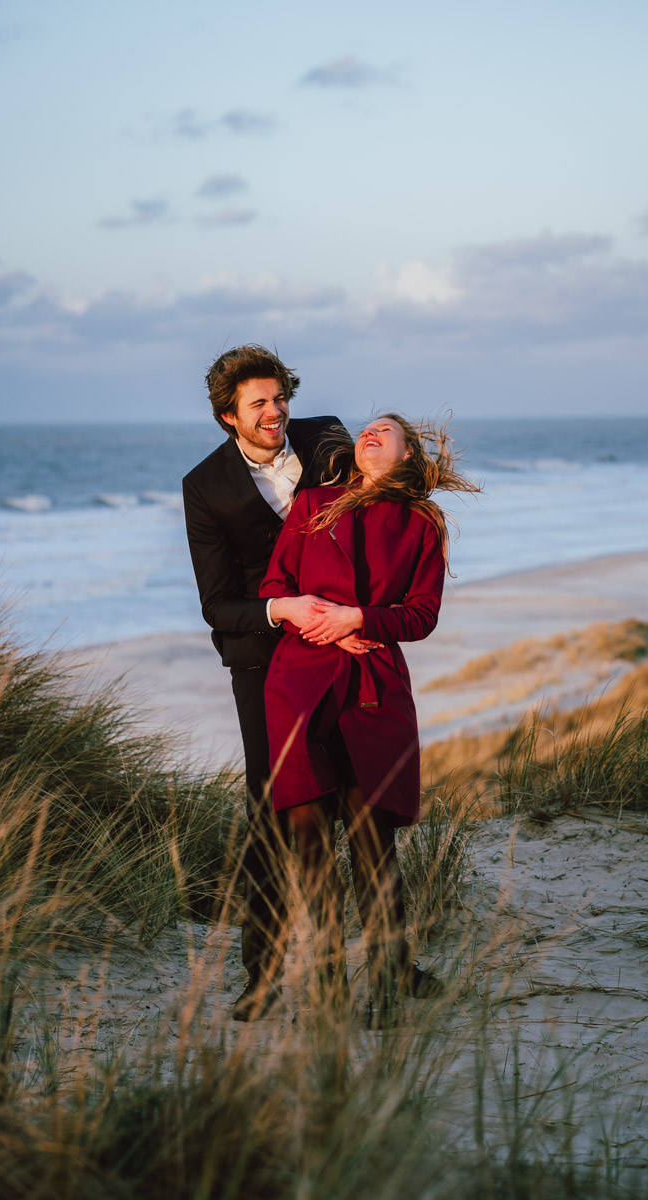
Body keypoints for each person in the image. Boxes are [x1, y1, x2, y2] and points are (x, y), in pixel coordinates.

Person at [259, 414, 478, 1026]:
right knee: (308, 836)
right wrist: (313, 618)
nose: (370, 434)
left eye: (388, 430)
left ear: (407, 454)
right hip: (300, 681)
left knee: (371, 838)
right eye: (367, 429)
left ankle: (387, 977)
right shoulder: (315, 502)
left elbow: (422, 615)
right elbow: (276, 584)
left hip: (373, 686)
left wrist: (359, 620)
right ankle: (328, 981)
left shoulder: (421, 523)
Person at [183, 344, 363, 1021]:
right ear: (229, 416)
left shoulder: (326, 439)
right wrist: (281, 609)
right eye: (258, 403)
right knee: (274, 813)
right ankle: (262, 975)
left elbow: (384, 506)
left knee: (360, 806)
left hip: (345, 647)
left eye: (279, 397)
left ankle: (392, 965)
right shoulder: (204, 487)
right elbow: (217, 603)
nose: (275, 411)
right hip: (262, 662)